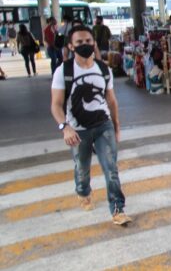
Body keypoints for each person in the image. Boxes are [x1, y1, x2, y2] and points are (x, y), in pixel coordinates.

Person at [50, 25, 131, 225]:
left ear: (93, 42)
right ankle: (83, 191)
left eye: (88, 41)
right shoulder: (64, 71)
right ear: (71, 45)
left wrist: (117, 126)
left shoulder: (104, 69)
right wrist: (65, 127)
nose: (84, 45)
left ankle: (117, 208)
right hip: (78, 130)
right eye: (79, 42)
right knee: (82, 168)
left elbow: (111, 100)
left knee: (111, 168)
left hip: (104, 125)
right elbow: (56, 105)